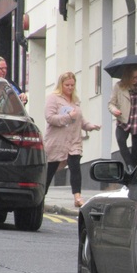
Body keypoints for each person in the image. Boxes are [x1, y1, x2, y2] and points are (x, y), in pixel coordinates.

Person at [44, 72, 100, 207]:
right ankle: (41, 196)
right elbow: (50, 118)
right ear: (61, 85)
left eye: (72, 85)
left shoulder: (75, 100)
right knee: (50, 170)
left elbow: (80, 119)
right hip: (57, 142)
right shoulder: (53, 98)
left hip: (74, 140)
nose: (70, 88)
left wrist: (89, 126)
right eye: (67, 85)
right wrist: (68, 117)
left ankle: (77, 197)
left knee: (75, 167)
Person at [108, 65, 137, 170]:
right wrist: (114, 110)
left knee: (136, 152)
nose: (135, 79)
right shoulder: (119, 86)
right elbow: (111, 103)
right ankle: (129, 166)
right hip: (123, 121)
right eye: (133, 77)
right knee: (121, 141)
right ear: (127, 76)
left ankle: (134, 173)